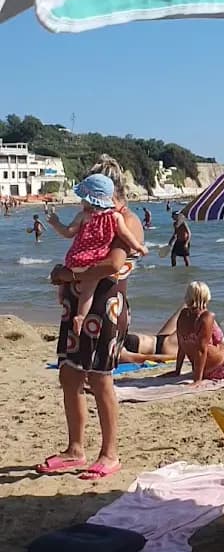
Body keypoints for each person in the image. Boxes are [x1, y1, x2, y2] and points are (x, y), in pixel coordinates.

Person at [37, 156, 144, 480]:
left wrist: (68, 274)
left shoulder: (125, 221)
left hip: (105, 307)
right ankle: (75, 448)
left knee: (100, 378)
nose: (88, 204)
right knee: (69, 375)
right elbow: (79, 246)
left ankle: (109, 454)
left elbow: (113, 265)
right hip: (78, 307)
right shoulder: (93, 217)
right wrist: (68, 279)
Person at [47, 175, 147, 333]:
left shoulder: (83, 216)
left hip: (76, 260)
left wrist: (55, 223)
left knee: (65, 273)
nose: (81, 203)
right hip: (93, 262)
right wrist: (139, 247)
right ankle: (80, 316)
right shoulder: (116, 217)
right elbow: (126, 236)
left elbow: (68, 232)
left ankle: (61, 293)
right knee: (88, 289)